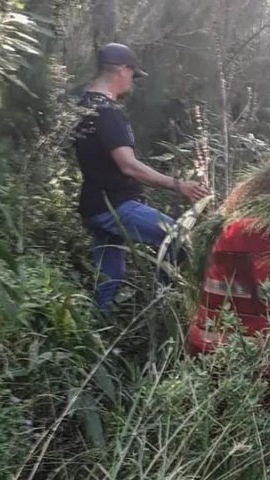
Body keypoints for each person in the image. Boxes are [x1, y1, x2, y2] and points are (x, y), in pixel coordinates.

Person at [73, 43, 210, 313]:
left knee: (109, 278)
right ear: (122, 71)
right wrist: (177, 185)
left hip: (93, 204)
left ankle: (99, 332)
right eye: (132, 76)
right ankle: (165, 307)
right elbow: (129, 166)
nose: (132, 84)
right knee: (178, 238)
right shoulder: (108, 113)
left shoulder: (83, 106)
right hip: (114, 205)